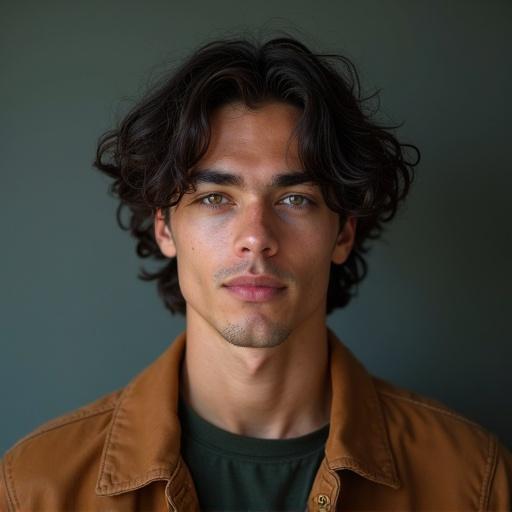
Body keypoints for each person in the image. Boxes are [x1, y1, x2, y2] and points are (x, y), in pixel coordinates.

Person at [1, 35, 510, 512]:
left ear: (343, 233)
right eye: (215, 198)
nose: (256, 235)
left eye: (295, 198)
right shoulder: (35, 487)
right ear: (164, 228)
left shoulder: (473, 481)